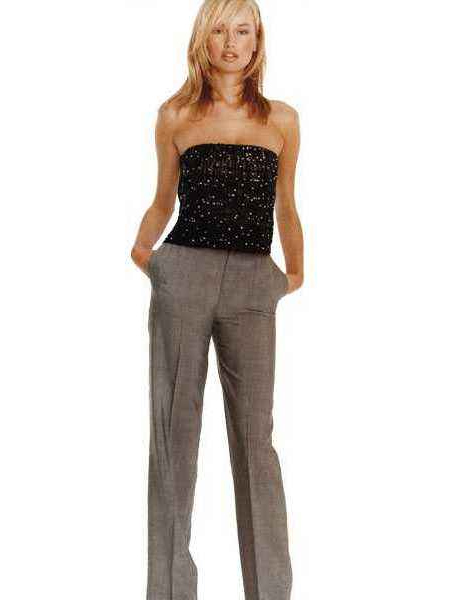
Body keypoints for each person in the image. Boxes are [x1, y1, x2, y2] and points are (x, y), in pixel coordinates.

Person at [130, 1, 304, 598]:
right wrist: (148, 258)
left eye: (243, 30)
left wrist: (291, 274)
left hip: (255, 280)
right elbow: (163, 199)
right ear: (203, 39)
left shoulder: (281, 120)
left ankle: (269, 591)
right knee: (173, 434)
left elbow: (286, 205)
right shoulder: (175, 115)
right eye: (221, 30)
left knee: (256, 440)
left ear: (258, 40)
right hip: (184, 274)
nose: (232, 42)